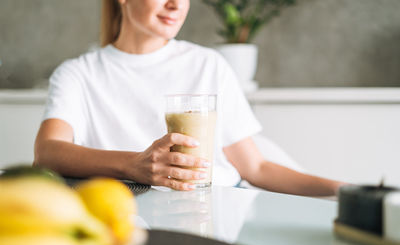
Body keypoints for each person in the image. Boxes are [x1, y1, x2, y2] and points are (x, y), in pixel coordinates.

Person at [34, 0, 345, 195]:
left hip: (217, 205)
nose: (176, 4)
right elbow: (47, 153)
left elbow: (256, 168)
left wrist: (342, 190)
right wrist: (136, 166)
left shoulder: (207, 64)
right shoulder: (79, 73)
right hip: (131, 212)